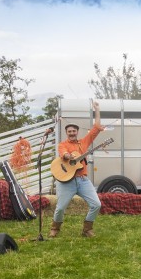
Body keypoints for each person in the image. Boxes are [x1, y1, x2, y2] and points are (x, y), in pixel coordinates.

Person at [49, 100, 105, 238]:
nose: (72, 133)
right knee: (61, 207)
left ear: (77, 132)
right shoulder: (62, 144)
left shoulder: (84, 143)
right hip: (66, 181)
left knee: (96, 204)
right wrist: (70, 157)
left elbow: (96, 128)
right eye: (69, 131)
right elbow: (63, 154)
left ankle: (87, 229)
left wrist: (97, 110)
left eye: (74, 131)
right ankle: (55, 228)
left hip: (82, 180)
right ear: (66, 133)